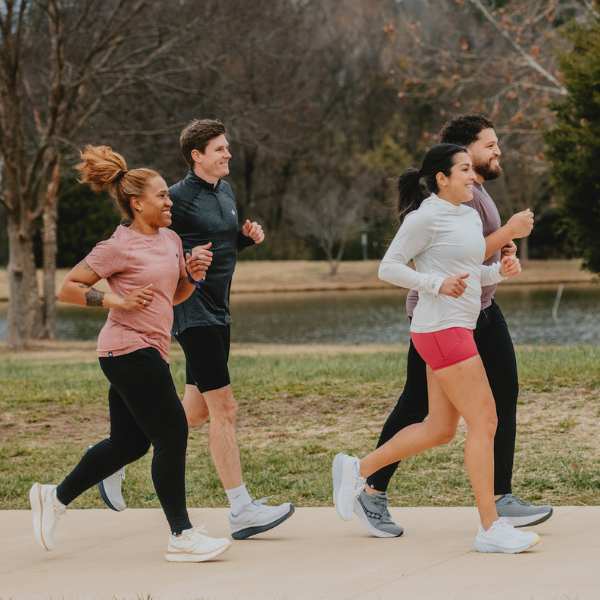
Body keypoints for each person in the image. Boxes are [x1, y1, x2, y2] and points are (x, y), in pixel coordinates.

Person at [333, 143, 541, 554]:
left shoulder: (465, 215)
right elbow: (388, 267)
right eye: (463, 169)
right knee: (485, 421)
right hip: (442, 327)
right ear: (441, 178)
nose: (471, 176)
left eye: (470, 169)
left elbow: (465, 269)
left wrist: (500, 270)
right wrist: (434, 284)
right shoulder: (424, 216)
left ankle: (358, 468)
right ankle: (490, 527)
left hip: (453, 326)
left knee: (440, 429)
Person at [30, 145, 231, 563]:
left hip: (151, 350)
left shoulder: (171, 239)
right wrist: (114, 302)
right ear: (137, 204)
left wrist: (192, 276)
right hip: (125, 349)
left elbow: (173, 296)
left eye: (167, 195)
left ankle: (55, 497)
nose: (169, 200)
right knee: (172, 432)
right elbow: (67, 287)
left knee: (128, 444)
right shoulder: (117, 245)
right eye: (161, 196)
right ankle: (181, 535)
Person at [98, 119, 294, 540]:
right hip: (193, 313)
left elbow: (215, 246)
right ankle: (241, 509)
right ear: (197, 155)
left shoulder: (223, 190)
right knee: (226, 409)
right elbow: (156, 246)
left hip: (219, 310)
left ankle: (116, 461)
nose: (227, 155)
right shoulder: (178, 198)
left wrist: (244, 239)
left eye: (226, 147)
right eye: (219, 149)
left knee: (197, 412)